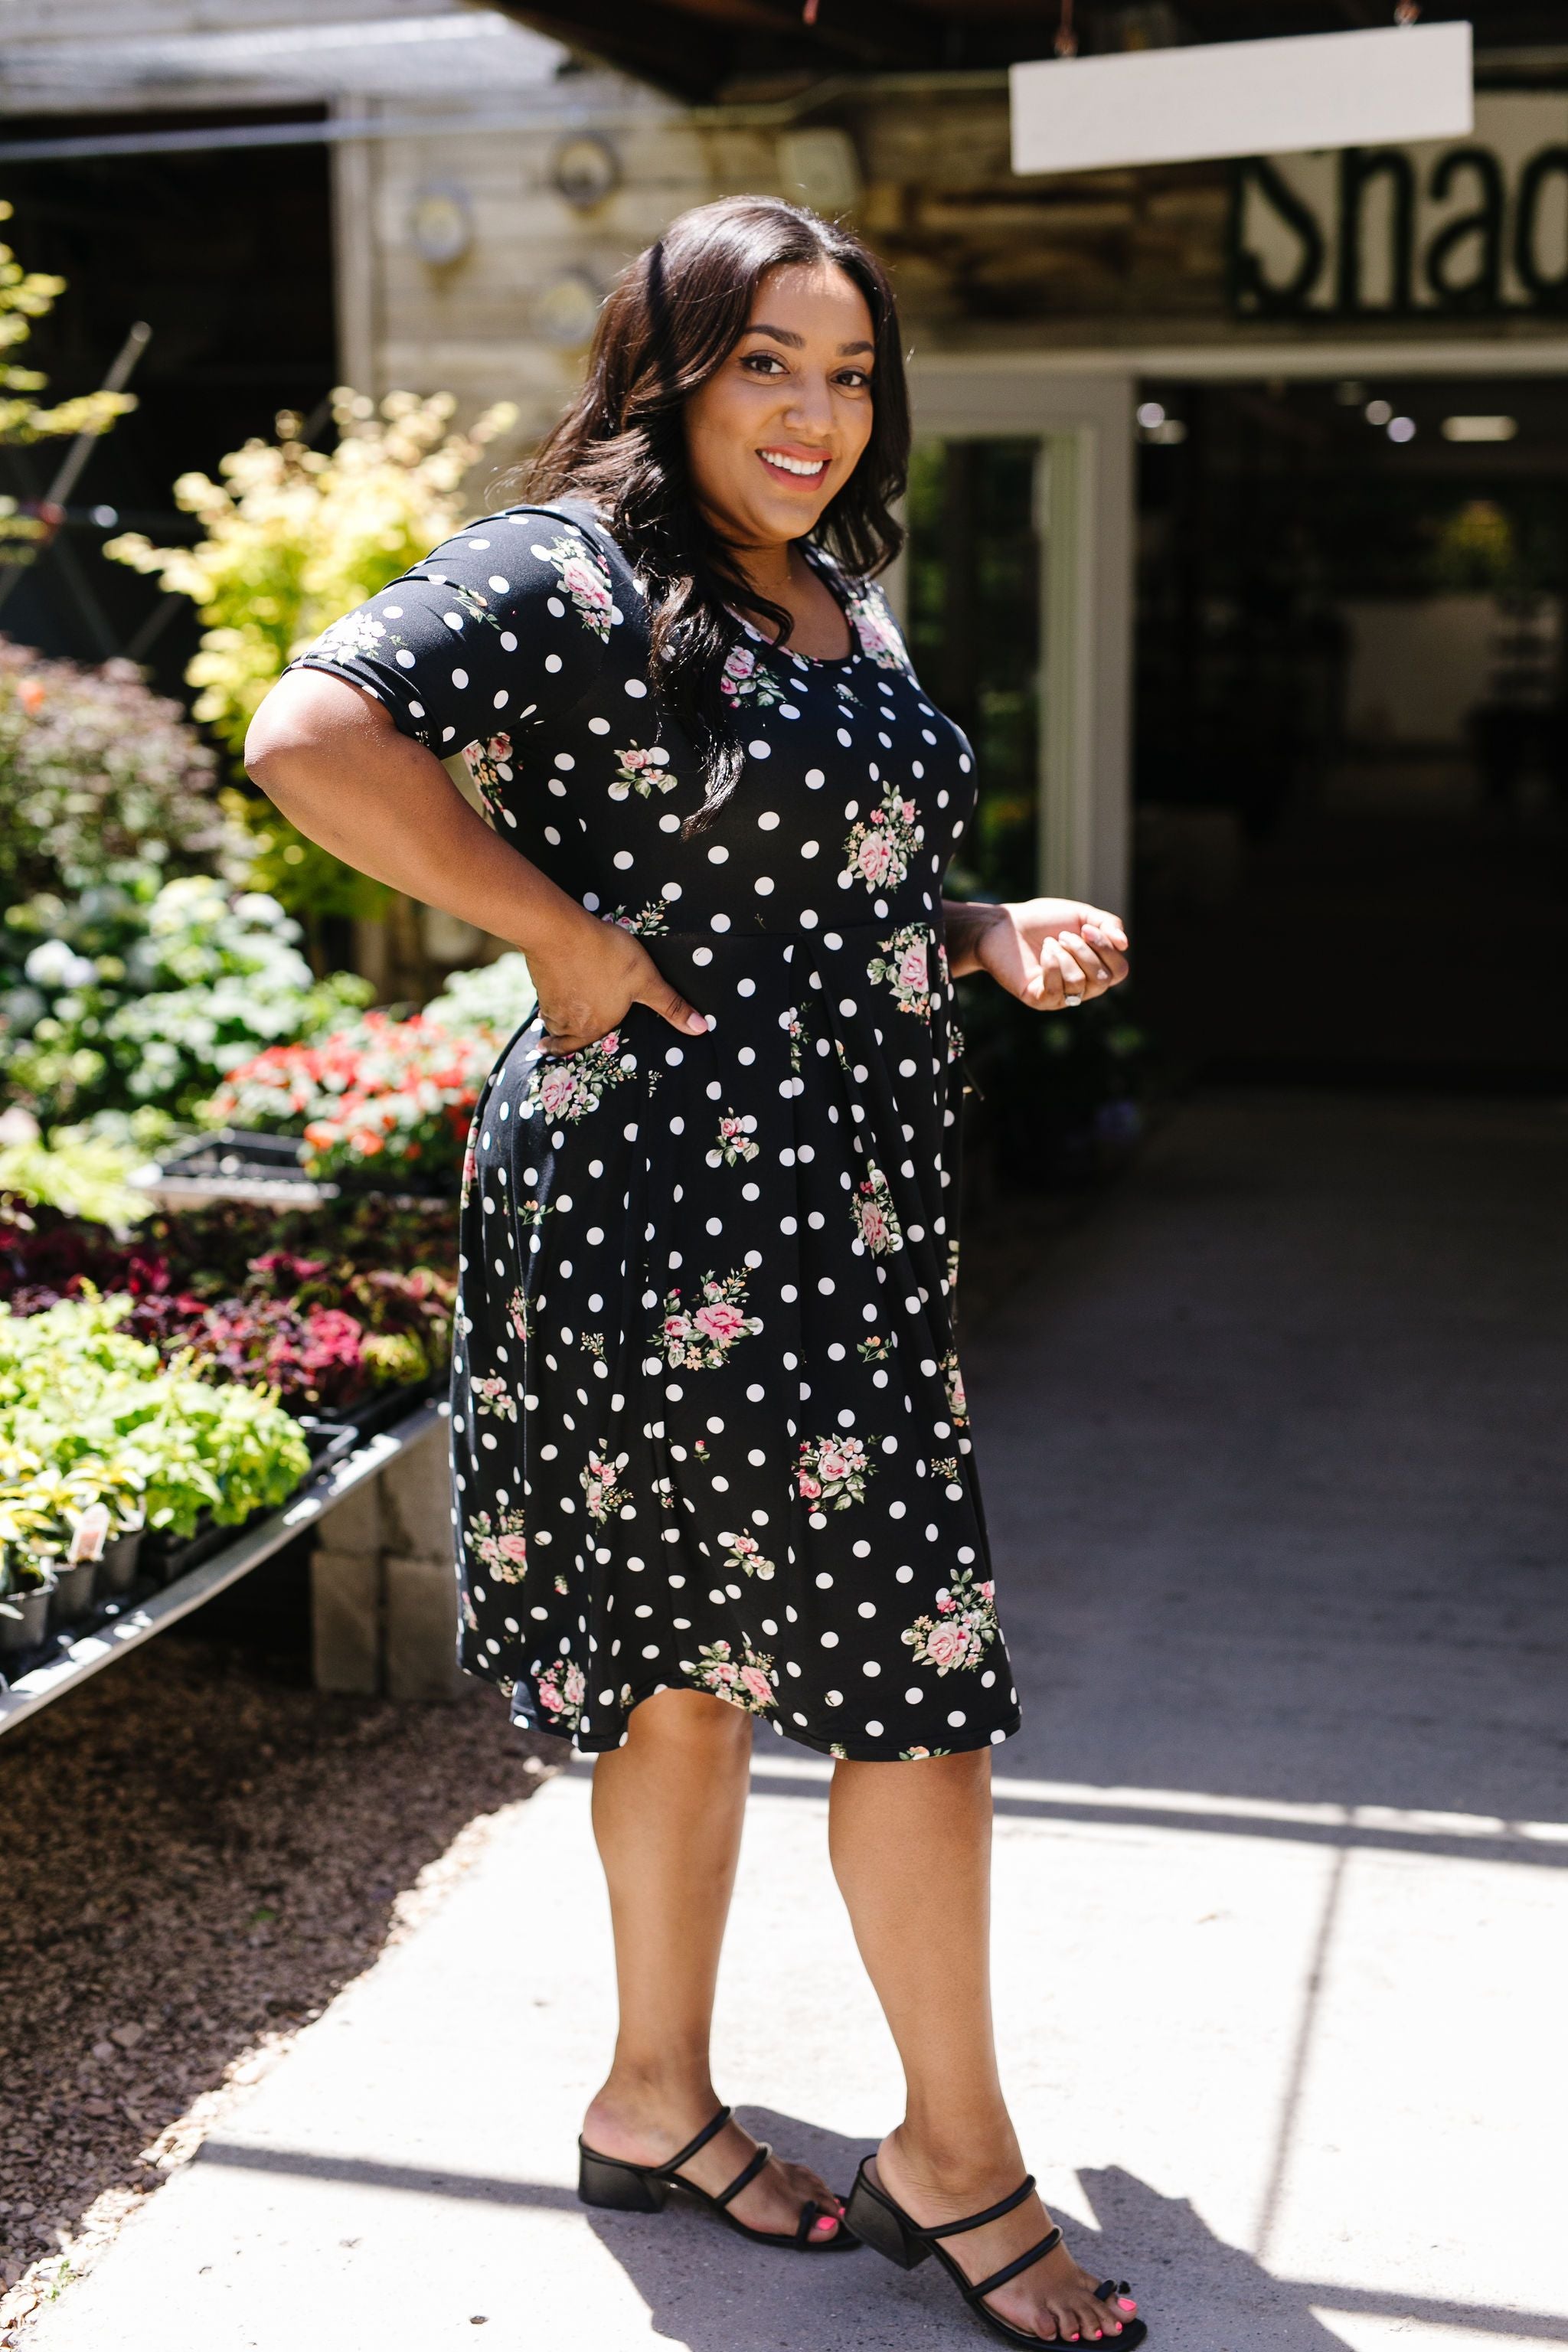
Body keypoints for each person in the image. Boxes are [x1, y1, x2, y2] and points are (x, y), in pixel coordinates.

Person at [245, 194, 1142, 2350]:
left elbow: (855, 871)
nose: (816, 414)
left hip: (826, 1215)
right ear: (672, 367)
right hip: (668, 1208)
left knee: (698, 1662)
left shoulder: (842, 595)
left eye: (847, 374)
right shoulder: (571, 570)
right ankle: (961, 2157)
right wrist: (553, 932)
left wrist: (985, 930)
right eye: (770, 364)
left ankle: (652, 2099)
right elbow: (308, 733)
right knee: (916, 1689)